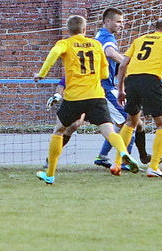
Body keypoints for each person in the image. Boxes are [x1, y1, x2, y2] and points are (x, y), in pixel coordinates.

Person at [33, 15, 139, 184]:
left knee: (59, 131)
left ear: (69, 30)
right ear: (84, 29)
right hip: (96, 95)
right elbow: (104, 72)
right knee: (109, 131)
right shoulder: (96, 44)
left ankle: (50, 174)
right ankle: (123, 152)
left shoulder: (65, 43)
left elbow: (54, 53)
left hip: (74, 97)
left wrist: (42, 73)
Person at [114, 18, 162, 177]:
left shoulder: (139, 40)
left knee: (130, 122)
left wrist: (120, 89)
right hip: (151, 80)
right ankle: (154, 166)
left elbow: (122, 65)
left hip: (131, 80)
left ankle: (117, 163)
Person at [92, 8, 150, 170]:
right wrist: (128, 64)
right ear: (107, 21)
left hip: (103, 86)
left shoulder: (100, 35)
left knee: (127, 122)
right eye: (118, 21)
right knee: (130, 121)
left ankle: (103, 156)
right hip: (104, 88)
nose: (122, 25)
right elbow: (110, 53)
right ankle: (125, 160)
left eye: (122, 22)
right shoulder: (107, 37)